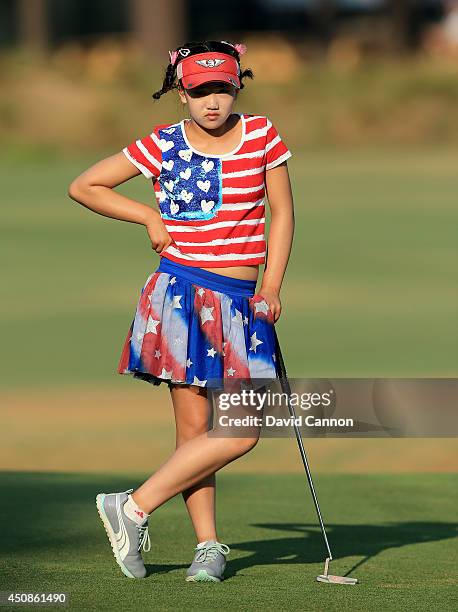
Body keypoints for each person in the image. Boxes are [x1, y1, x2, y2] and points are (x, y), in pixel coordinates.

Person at [68, 39, 295, 582]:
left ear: (237, 86)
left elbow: (282, 214)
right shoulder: (162, 144)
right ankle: (207, 547)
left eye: (222, 88)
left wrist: (273, 285)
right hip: (182, 294)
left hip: (243, 300)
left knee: (239, 429)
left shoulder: (262, 133)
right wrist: (147, 217)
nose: (212, 101)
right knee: (197, 434)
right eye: (199, 90)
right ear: (180, 94)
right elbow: (86, 185)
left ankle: (132, 507)